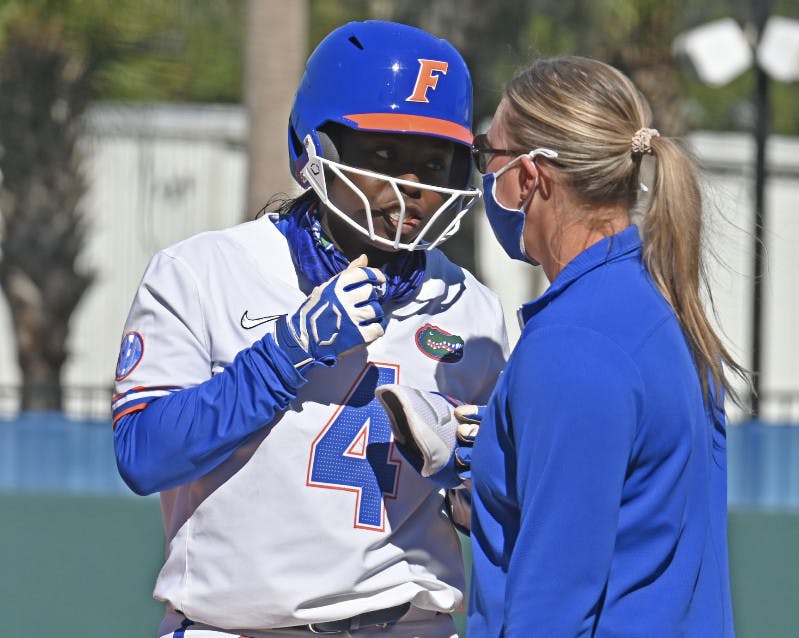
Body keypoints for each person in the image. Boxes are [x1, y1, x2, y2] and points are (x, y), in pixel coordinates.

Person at [111, 20, 508, 638]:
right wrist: (285, 354)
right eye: (384, 155)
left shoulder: (471, 309)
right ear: (312, 147)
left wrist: (478, 477)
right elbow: (143, 455)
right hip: (237, 627)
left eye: (434, 163)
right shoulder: (204, 271)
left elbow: (488, 520)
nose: (411, 186)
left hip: (411, 624)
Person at [463, 56, 750, 636]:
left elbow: (551, 608)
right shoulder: (657, 304)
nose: (484, 173)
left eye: (488, 155)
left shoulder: (574, 342)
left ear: (530, 176)